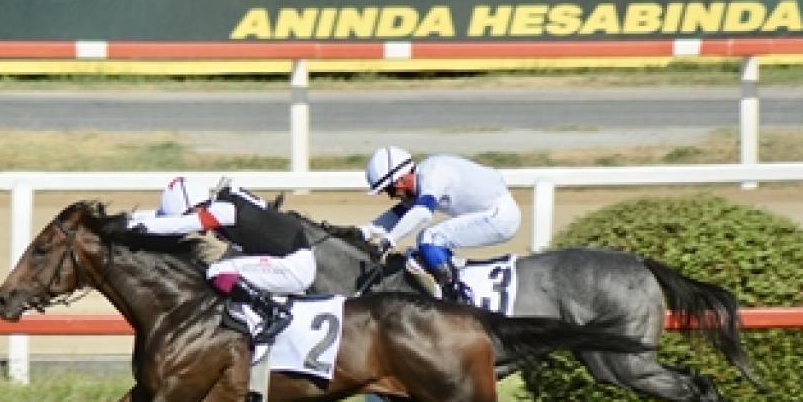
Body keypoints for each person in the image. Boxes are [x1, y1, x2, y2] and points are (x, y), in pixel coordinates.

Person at [130, 176, 315, 344]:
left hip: (294, 267)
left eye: (186, 214)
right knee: (221, 268)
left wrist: (140, 227)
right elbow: (167, 219)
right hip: (284, 258)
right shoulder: (222, 203)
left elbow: (180, 224)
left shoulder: (223, 211)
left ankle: (273, 313)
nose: (190, 225)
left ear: (195, 206)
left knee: (217, 272)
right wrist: (127, 219)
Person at [360, 146, 521, 303]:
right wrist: (362, 232)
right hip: (492, 212)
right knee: (426, 246)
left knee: (430, 238)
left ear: (400, 179)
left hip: (500, 216)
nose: (391, 196)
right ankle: (452, 283)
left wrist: (389, 241)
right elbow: (397, 215)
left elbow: (423, 213)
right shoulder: (421, 179)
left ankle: (456, 297)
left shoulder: (433, 174)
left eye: (390, 190)